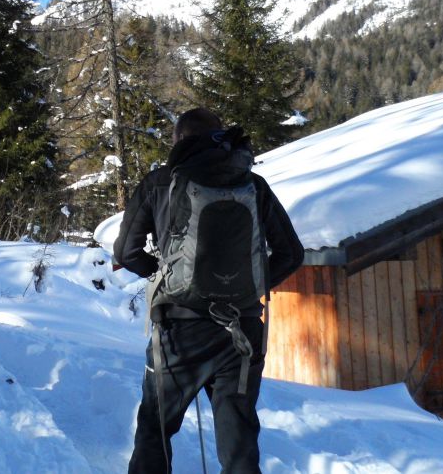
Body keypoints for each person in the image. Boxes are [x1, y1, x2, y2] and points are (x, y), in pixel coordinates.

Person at [114, 107, 304, 474]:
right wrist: (251, 288)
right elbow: (291, 254)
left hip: (179, 329)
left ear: (178, 140)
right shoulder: (252, 184)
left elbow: (125, 252)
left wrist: (163, 274)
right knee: (239, 442)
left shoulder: (159, 183)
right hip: (241, 331)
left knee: (156, 429)